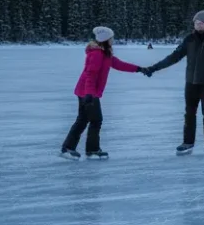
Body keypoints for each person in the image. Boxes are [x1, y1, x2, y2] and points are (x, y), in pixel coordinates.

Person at [145, 9, 204, 155]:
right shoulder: (189, 39)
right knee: (189, 113)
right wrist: (154, 68)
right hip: (191, 83)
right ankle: (188, 142)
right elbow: (175, 56)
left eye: (201, 23)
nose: (198, 25)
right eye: (196, 23)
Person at [60, 26, 146, 160]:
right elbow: (90, 74)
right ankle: (90, 150)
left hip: (86, 91)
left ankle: (69, 148)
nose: (113, 40)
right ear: (105, 39)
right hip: (88, 92)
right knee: (95, 120)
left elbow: (119, 64)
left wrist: (139, 69)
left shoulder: (105, 54)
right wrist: (89, 93)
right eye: (111, 38)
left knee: (83, 120)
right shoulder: (97, 54)